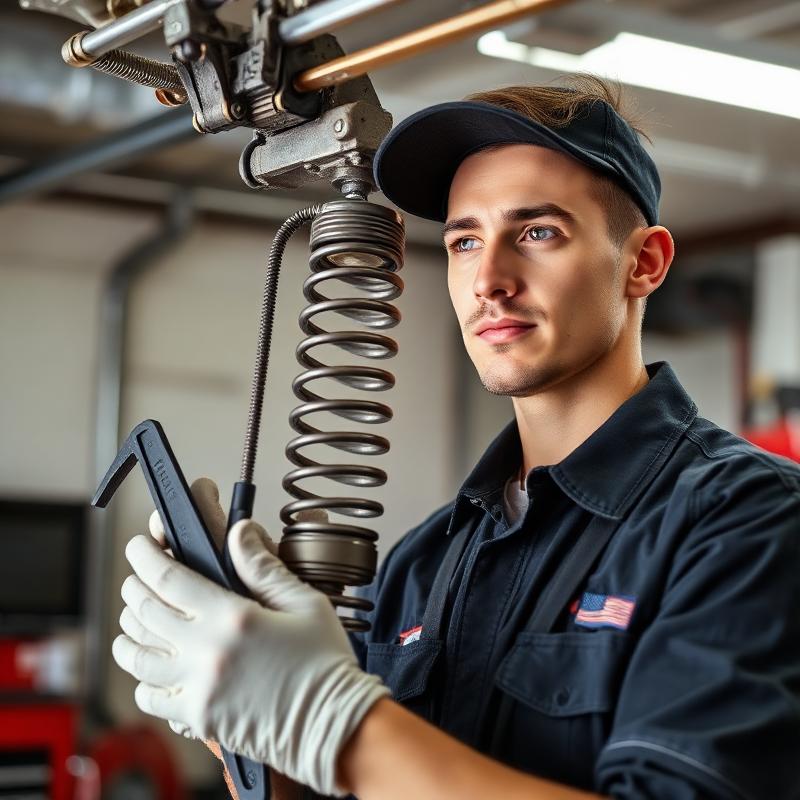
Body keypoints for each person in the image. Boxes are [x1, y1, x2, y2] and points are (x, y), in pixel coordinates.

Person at [112, 76, 800, 800]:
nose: (489, 280)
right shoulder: (423, 561)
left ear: (645, 263)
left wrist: (336, 726)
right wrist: (239, 701)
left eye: (538, 232)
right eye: (466, 240)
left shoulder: (747, 524)